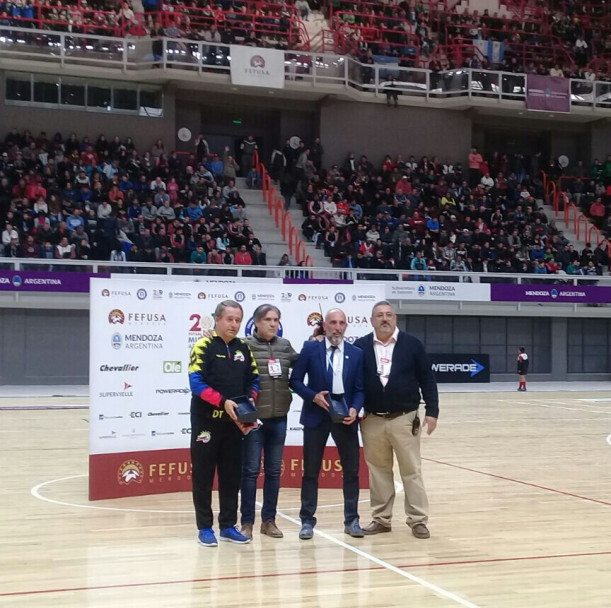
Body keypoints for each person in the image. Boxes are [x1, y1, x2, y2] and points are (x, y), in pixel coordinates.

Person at [354, 301, 438, 539]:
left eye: (389, 315)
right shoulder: (360, 346)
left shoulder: (412, 345)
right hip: (372, 420)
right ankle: (381, 519)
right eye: (379, 315)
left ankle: (418, 520)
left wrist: (432, 411)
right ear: (371, 320)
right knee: (379, 471)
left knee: (411, 471)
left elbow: (427, 379)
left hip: (405, 418)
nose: (384, 319)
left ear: (396, 319)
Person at [188, 300, 260, 547]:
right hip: (206, 423)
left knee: (231, 476)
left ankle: (228, 526)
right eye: (229, 319)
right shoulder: (203, 345)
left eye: (238, 320)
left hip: (235, 425)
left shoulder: (244, 348)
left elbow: (254, 380)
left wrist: (250, 400)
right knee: (203, 476)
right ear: (217, 320)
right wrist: (223, 402)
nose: (234, 324)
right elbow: (196, 384)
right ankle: (205, 528)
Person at [289, 309, 365, 540]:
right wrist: (313, 396)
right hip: (316, 415)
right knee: (311, 471)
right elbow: (295, 381)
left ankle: (352, 520)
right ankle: (307, 521)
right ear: (325, 325)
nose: (337, 327)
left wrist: (355, 408)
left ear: (346, 326)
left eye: (342, 323)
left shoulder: (357, 353)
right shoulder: (311, 349)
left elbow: (360, 388)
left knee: (351, 471)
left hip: (345, 418)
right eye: (333, 323)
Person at [240, 305, 299, 540]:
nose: (272, 324)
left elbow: (304, 363)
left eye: (276, 320)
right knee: (251, 472)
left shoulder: (284, 346)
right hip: (254, 421)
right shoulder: (244, 346)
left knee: (274, 472)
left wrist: (317, 344)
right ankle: (246, 523)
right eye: (267, 320)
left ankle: (269, 521)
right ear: (256, 322)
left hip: (279, 419)